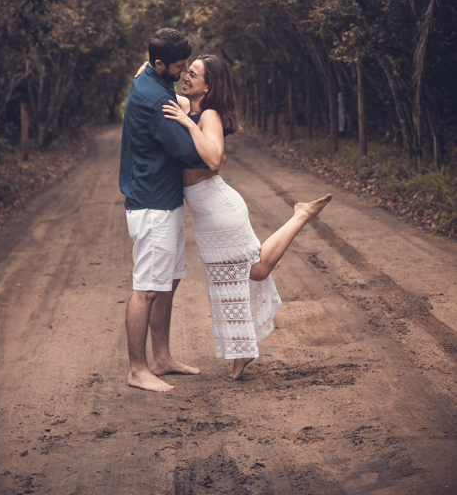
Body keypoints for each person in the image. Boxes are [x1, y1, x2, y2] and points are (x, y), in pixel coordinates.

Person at [162, 54, 332, 380]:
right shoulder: (191, 107)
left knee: (254, 270)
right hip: (205, 212)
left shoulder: (206, 115)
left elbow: (214, 159)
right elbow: (151, 75)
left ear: (208, 85)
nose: (185, 76)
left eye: (193, 74)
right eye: (187, 71)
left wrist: (186, 123)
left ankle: (300, 215)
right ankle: (241, 353)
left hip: (219, 206)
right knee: (226, 282)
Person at [119, 28, 205, 392]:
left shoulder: (154, 79)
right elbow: (186, 152)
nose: (184, 72)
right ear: (159, 64)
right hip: (153, 205)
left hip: (164, 200)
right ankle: (137, 369)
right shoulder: (155, 98)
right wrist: (200, 119)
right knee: (147, 289)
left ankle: (162, 357)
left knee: (167, 282)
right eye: (179, 67)